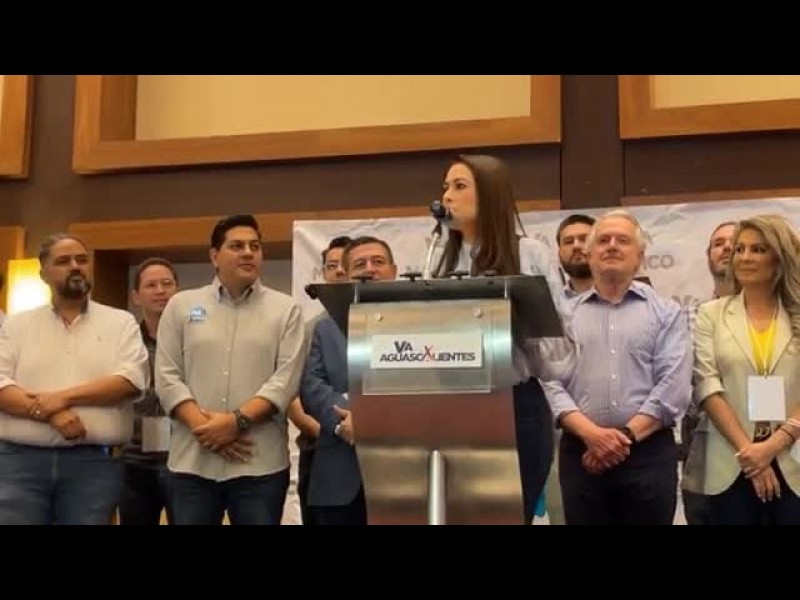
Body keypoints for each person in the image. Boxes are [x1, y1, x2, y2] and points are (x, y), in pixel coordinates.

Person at [432, 154, 576, 524]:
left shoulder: (529, 254)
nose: (447, 196)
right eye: (445, 187)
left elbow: (561, 353)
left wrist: (518, 328)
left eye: (459, 186)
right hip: (451, 407)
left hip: (516, 406)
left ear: (490, 194)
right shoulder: (437, 260)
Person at [155, 214, 307, 525]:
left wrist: (236, 422)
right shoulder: (181, 305)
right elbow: (167, 376)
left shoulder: (286, 310)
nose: (248, 253)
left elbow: (285, 381)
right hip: (192, 465)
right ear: (215, 256)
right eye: (237, 246)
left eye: (255, 246)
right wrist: (209, 431)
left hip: (260, 466)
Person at [543, 209, 692, 525]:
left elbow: (674, 386)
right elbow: (550, 380)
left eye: (622, 240)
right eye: (603, 240)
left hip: (648, 454)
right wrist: (591, 435)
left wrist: (620, 438)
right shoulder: (563, 315)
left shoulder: (666, 313)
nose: (611, 246)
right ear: (590, 255)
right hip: (581, 453)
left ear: (640, 257)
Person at [0, 233, 149, 525]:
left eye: (82, 259)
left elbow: (129, 381)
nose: (76, 266)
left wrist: (61, 399)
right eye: (63, 261)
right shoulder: (16, 324)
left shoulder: (121, 322)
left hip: (94, 466)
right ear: (43, 273)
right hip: (20, 463)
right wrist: (51, 413)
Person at [690, 214, 800, 525]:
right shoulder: (711, 314)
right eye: (740, 249)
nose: (744, 257)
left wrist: (774, 445)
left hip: (793, 457)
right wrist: (751, 454)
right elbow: (707, 385)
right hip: (733, 461)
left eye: (758, 249)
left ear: (779, 258)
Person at [299, 235, 398, 525]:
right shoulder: (324, 328)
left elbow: (425, 386)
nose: (369, 269)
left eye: (378, 262)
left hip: (402, 478)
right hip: (338, 475)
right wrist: (346, 421)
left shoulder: (421, 326)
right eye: (360, 264)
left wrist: (369, 420)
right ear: (347, 274)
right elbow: (311, 387)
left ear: (394, 271)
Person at [289, 234, 351, 525]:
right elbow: (298, 391)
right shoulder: (312, 329)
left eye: (345, 264)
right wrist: (334, 428)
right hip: (321, 448)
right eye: (331, 265)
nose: (339, 271)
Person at [680, 221, 735, 525]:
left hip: (764, 435)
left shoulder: (777, 315)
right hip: (702, 434)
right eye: (718, 243)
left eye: (735, 242)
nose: (726, 248)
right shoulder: (687, 316)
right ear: (708, 256)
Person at [119, 257, 180, 525]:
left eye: (167, 284)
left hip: (183, 458)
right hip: (134, 459)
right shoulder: (124, 340)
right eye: (151, 285)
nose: (160, 291)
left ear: (177, 290)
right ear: (136, 296)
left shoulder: (195, 339)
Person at [556, 214, 596, 298]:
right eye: (569, 241)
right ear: (559, 254)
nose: (576, 246)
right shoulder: (553, 301)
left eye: (584, 239)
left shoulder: (623, 295)